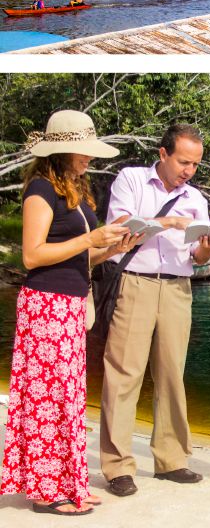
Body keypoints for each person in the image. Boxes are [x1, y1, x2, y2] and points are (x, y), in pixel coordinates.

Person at [1, 110, 140, 516]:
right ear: (61, 150)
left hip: (70, 303)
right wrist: (90, 237)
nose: (89, 159)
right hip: (45, 304)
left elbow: (82, 254)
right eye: (83, 151)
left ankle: (68, 479)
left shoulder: (73, 191)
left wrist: (113, 248)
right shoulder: (41, 190)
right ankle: (46, 491)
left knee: (69, 396)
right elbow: (32, 255)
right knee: (47, 396)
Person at [99, 124, 210, 497]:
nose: (189, 170)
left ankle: (172, 460)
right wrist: (168, 221)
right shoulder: (132, 180)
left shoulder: (196, 199)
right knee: (124, 374)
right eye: (184, 161)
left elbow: (195, 257)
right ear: (164, 153)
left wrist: (207, 248)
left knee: (172, 373)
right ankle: (118, 467)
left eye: (196, 164)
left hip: (178, 287)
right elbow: (119, 229)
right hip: (135, 281)